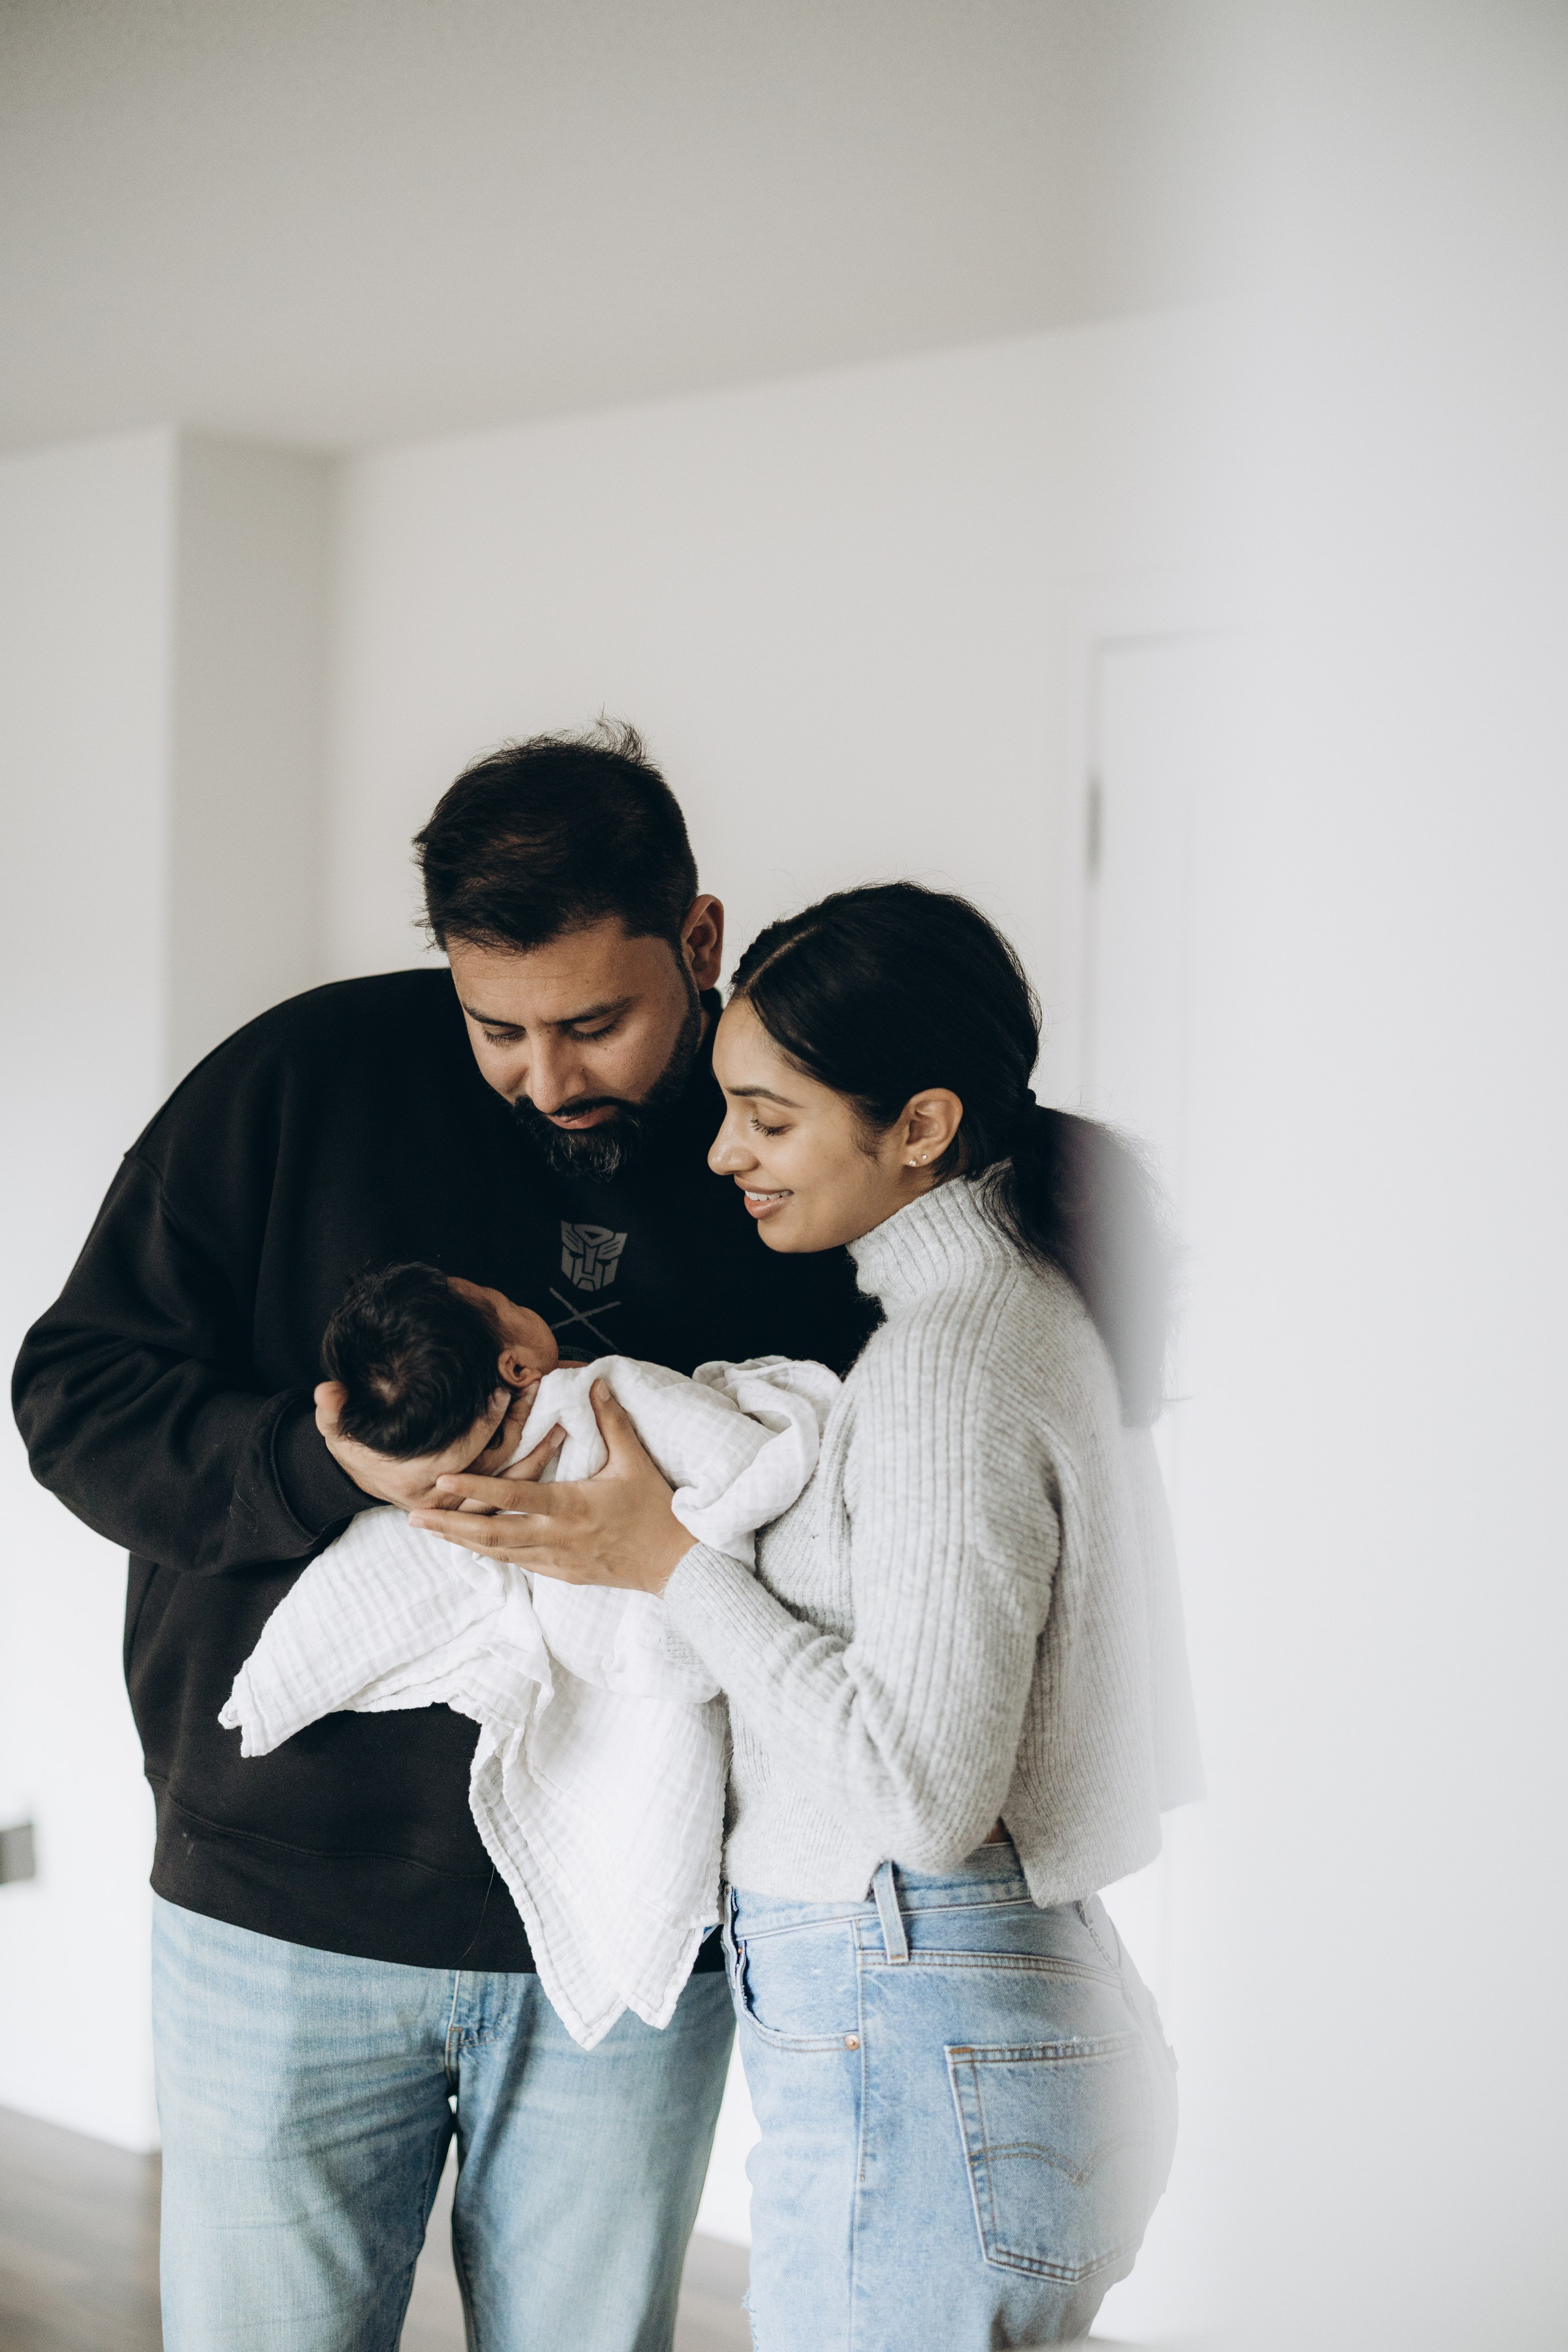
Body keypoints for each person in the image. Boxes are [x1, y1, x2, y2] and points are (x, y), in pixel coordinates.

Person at [10, 725, 872, 2352]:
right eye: (500, 1029)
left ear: (699, 940)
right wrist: (321, 1457)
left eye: (596, 1024)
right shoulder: (292, 1085)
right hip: (280, 1897)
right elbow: (76, 1395)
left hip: (642, 1919)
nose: (547, 1075)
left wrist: (670, 1523)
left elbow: (868, 1466)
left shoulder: (789, 1142)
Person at [423, 881, 1202, 2350]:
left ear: (917, 1126)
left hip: (918, 2009)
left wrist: (670, 1564)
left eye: (769, 1121)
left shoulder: (947, 1372)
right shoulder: (1010, 1316)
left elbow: (917, 1790)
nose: (723, 1155)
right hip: (966, 2015)